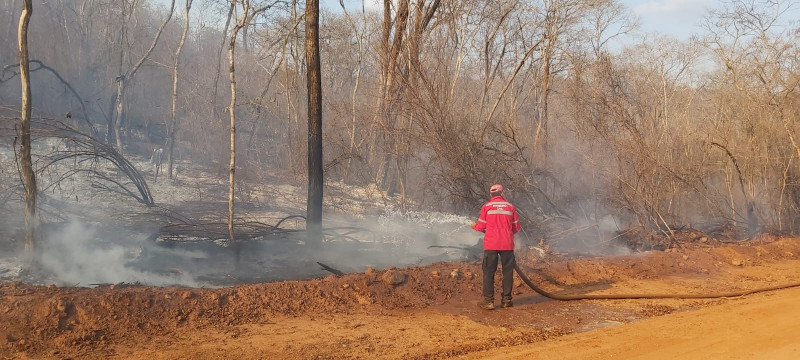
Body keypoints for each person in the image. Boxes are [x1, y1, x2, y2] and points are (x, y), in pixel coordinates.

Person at [471, 184, 521, 310]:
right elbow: (516, 228)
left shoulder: (487, 207)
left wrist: (473, 226)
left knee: (488, 272)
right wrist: (505, 233)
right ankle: (507, 300)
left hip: (491, 244)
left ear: (490, 195)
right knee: (508, 272)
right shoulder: (510, 207)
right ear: (502, 194)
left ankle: (488, 301)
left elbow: (480, 227)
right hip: (507, 244)